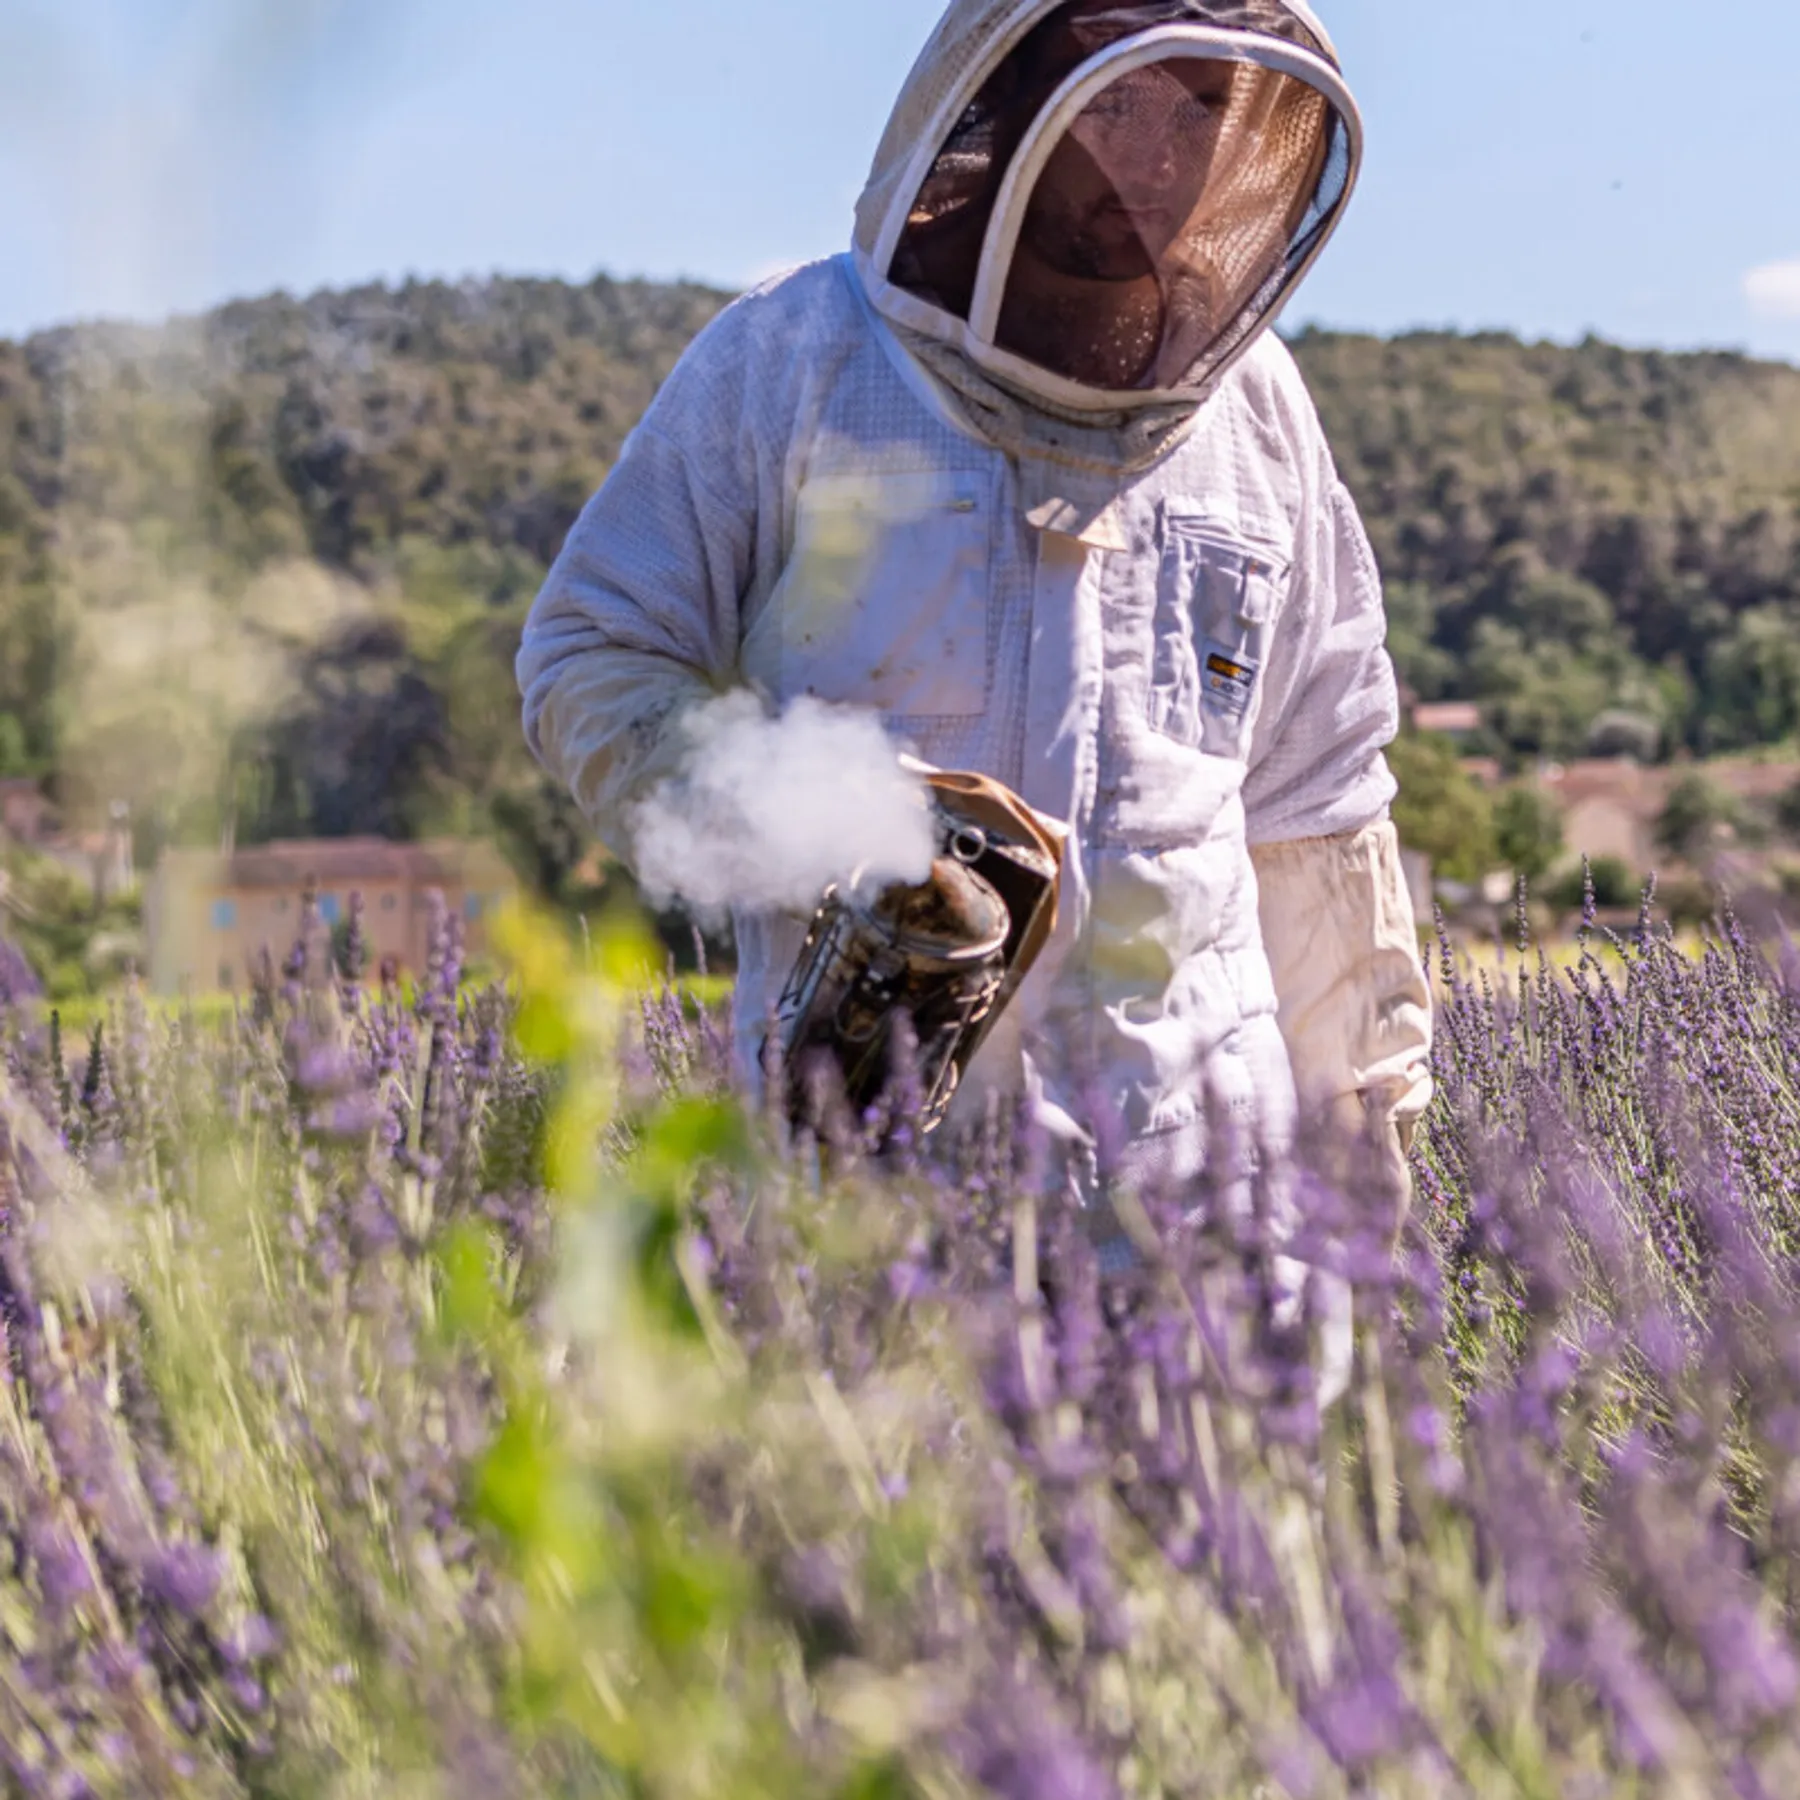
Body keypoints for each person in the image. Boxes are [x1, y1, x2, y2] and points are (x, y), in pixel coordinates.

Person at [517, 0, 1433, 1259]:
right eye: (1118, 104)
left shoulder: (1259, 406)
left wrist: (1362, 1120)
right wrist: (834, 827)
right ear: (1005, 97)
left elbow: (1319, 798)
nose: (1156, 162)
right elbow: (593, 656)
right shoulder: (793, 358)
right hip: (884, 1217)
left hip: (1213, 1212)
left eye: (1202, 112)